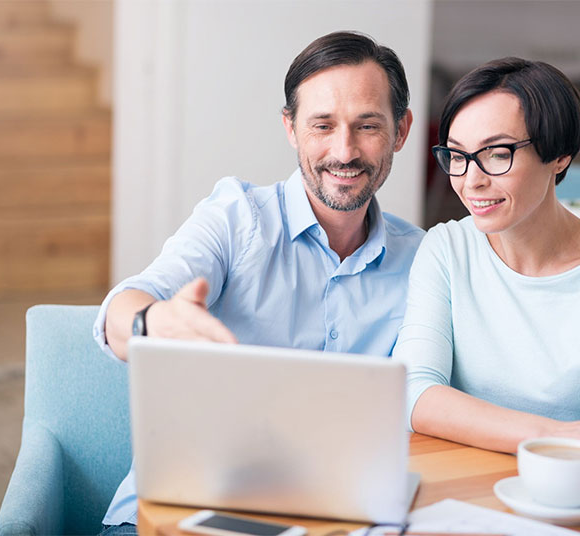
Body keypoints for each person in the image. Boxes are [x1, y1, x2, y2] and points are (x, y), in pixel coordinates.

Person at [94, 31, 424, 534]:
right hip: (184, 513)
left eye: (367, 126)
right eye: (322, 125)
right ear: (290, 128)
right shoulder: (235, 218)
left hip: (338, 515)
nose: (344, 150)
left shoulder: (422, 258)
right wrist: (153, 320)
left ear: (401, 131)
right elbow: (121, 312)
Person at [392, 57, 580, 495]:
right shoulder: (446, 249)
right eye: (457, 155)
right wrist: (556, 433)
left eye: (497, 153)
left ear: (559, 154)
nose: (471, 181)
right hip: (473, 491)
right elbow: (413, 393)